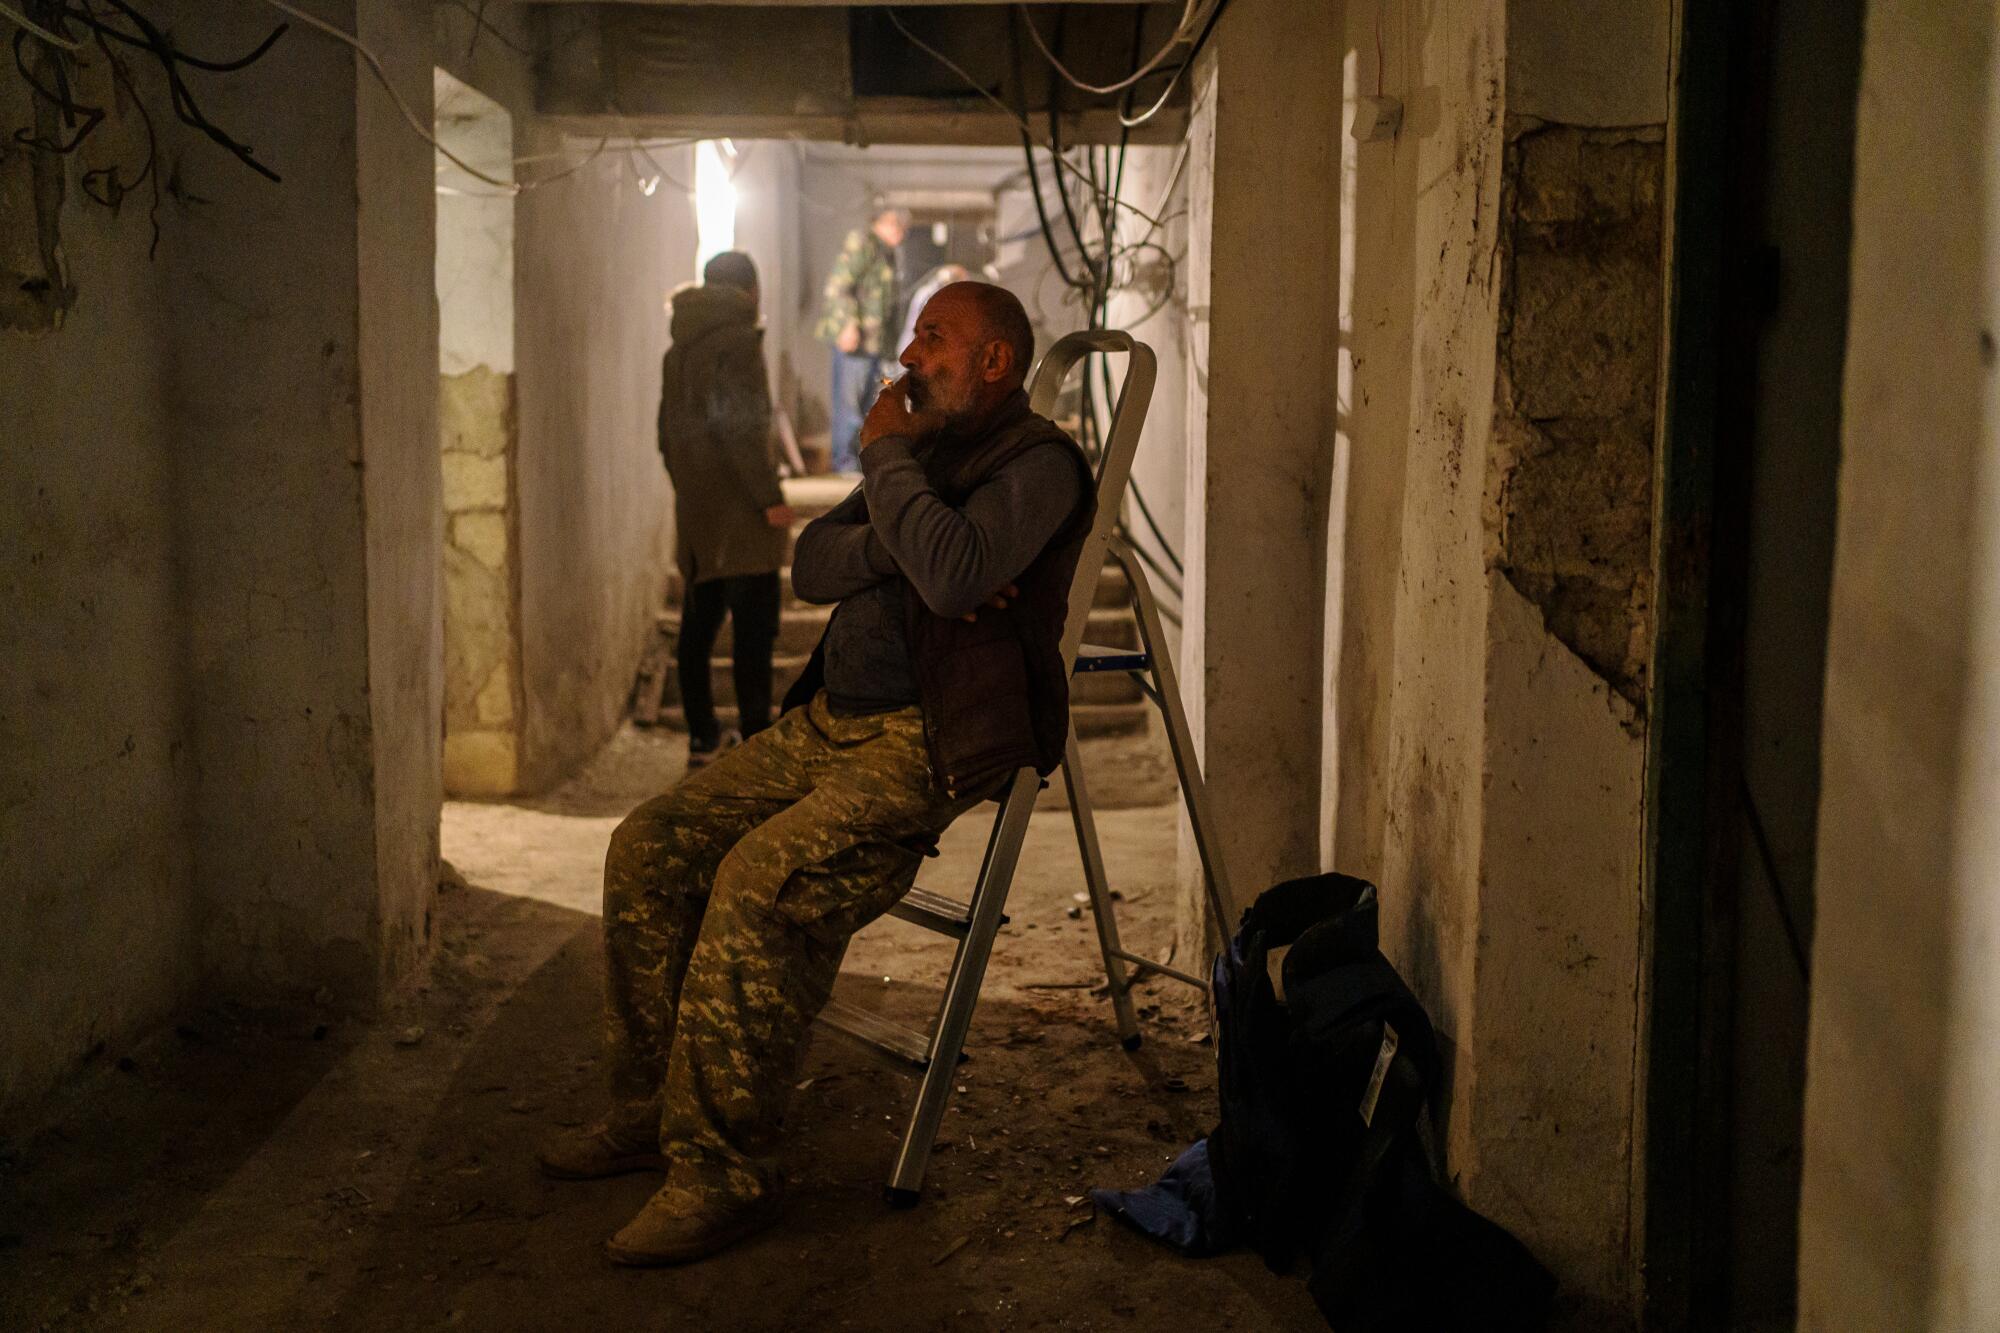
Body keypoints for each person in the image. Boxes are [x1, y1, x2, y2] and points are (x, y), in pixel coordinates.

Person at [539, 281, 1094, 1266]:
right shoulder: (924, 450)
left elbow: (960, 576)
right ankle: (644, 1113)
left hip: (924, 739)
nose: (909, 354)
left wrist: (894, 476)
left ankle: (724, 1173)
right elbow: (811, 565)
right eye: (916, 334)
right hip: (825, 720)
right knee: (648, 845)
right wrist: (909, 544)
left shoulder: (1037, 463)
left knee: (758, 879)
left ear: (993, 360)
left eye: (934, 337)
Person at [656, 250, 794, 767]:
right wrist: (769, 498)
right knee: (753, 633)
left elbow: (666, 437)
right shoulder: (740, 344)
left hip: (698, 515)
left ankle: (702, 737)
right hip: (744, 516)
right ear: (750, 293)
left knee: (698, 628)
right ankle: (756, 737)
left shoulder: (678, 351)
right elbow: (742, 429)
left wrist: (692, 491)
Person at [816, 205, 907, 474]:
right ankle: (844, 463)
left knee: (869, 404)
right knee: (850, 404)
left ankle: (858, 463)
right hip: (856, 342)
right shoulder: (863, 244)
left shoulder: (887, 253)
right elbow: (839, 286)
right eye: (897, 226)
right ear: (883, 223)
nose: (900, 233)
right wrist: (847, 325)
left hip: (875, 344)